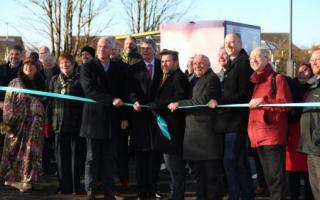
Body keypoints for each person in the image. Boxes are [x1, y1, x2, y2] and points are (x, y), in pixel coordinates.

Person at [168, 54, 224, 200]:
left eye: (201, 63)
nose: (197, 66)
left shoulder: (212, 78)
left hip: (207, 135)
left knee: (211, 176)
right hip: (194, 136)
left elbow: (203, 100)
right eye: (195, 63)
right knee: (199, 176)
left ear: (209, 64)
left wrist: (179, 104)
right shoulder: (194, 80)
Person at [208, 32, 254, 200]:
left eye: (232, 42)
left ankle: (235, 196)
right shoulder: (233, 63)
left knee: (230, 162)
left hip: (237, 121)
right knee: (240, 163)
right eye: (226, 42)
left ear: (240, 43)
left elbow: (244, 94)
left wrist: (219, 100)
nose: (229, 45)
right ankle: (247, 195)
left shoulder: (243, 63)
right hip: (229, 121)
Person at [80, 37, 126, 200]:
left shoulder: (119, 69)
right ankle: (90, 190)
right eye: (99, 46)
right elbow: (89, 90)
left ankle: (109, 189)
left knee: (109, 157)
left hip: (112, 119)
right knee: (92, 157)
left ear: (112, 49)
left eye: (105, 47)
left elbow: (123, 93)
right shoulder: (87, 67)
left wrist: (124, 117)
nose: (101, 49)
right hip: (93, 119)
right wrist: (111, 100)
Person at [247, 47, 292, 200]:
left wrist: (263, 101)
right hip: (258, 137)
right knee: (270, 179)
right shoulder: (256, 81)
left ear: (267, 59)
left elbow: (285, 104)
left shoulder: (277, 78)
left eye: (257, 57)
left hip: (272, 136)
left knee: (276, 179)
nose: (253, 60)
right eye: (251, 57)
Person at [0, 58, 46, 192]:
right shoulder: (15, 82)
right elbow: (8, 102)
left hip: (35, 126)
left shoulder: (40, 83)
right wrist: (8, 121)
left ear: (37, 69)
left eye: (32, 65)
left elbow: (44, 101)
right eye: (26, 65)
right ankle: (13, 180)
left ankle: (28, 179)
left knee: (32, 152)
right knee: (16, 151)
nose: (29, 67)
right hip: (18, 125)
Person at [151, 49, 190, 200]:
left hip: (174, 129)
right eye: (162, 61)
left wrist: (157, 104)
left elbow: (179, 98)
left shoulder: (179, 78)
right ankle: (175, 193)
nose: (164, 64)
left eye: (167, 61)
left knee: (176, 167)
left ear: (176, 62)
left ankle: (177, 195)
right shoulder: (166, 76)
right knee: (171, 166)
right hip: (165, 127)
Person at [127, 38, 162, 200]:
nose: (145, 51)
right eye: (143, 49)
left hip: (157, 117)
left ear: (155, 50)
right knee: (141, 156)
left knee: (155, 155)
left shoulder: (163, 67)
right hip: (139, 117)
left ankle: (153, 187)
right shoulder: (134, 68)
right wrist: (134, 100)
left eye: (148, 48)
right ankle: (141, 190)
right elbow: (129, 90)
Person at [48, 53, 84, 195]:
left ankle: (76, 187)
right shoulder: (53, 80)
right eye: (62, 63)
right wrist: (49, 122)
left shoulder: (80, 80)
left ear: (73, 64)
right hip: (58, 125)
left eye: (67, 63)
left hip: (76, 125)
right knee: (61, 159)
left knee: (76, 158)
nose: (64, 65)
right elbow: (50, 103)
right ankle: (64, 186)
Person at [285, 63, 314, 200]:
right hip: (293, 131)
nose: (301, 72)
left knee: (309, 170)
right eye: (299, 70)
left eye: (305, 70)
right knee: (293, 169)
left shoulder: (313, 87)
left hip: (309, 132)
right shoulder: (291, 85)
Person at [298, 49, 320, 198]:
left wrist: (317, 136)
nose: (313, 62)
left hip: (317, 144)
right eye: (312, 59)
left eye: (317, 59)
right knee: (315, 188)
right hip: (310, 144)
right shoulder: (312, 84)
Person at [0, 45, 24, 156]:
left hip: (19, 110)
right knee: (2, 136)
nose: (14, 56)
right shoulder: (1, 69)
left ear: (21, 55)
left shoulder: (26, 69)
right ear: (8, 55)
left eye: (17, 54)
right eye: (12, 54)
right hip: (1, 108)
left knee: (16, 138)